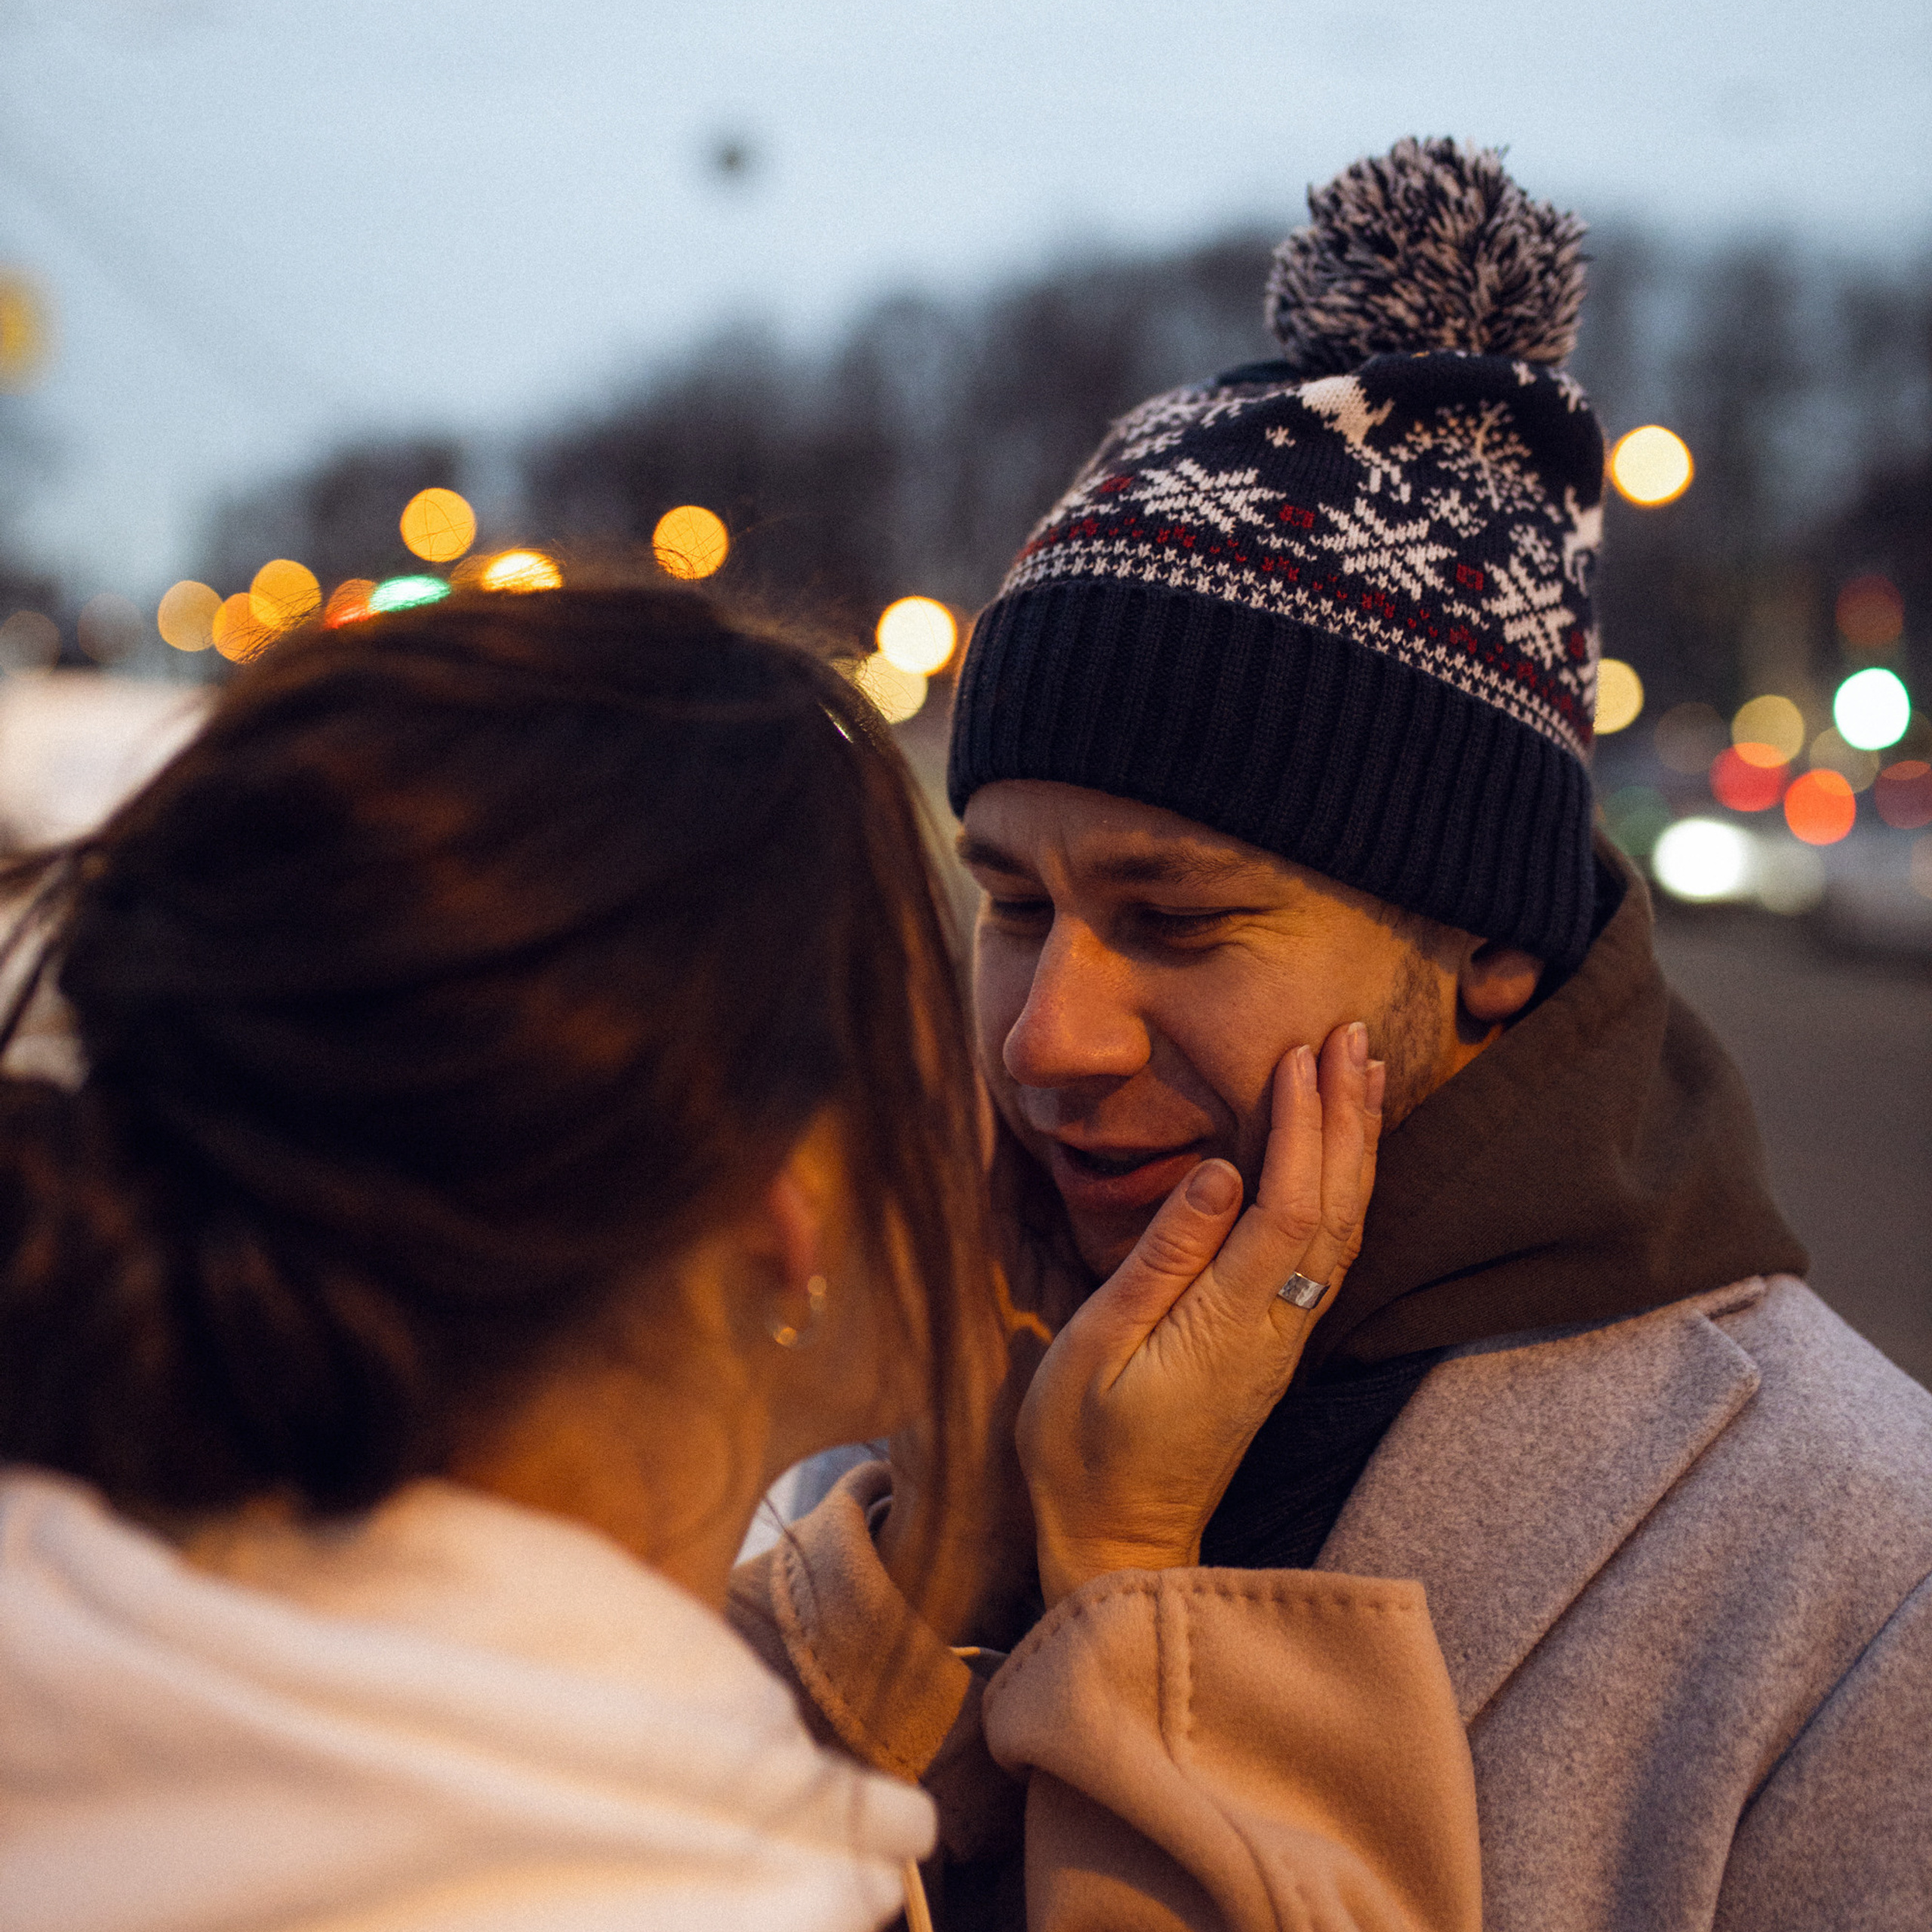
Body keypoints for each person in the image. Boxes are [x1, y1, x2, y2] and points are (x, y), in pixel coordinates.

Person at [730, 141, 1932, 1930]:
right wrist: (940, 1558)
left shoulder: (1853, 1573)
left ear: (1486, 946)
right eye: (1013, 902)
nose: (1048, 1037)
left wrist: (1131, 1591)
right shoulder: (929, 1385)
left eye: (1178, 918)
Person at [0, 588, 1466, 1932]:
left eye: (1176, 919)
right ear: (792, 1207)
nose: (1026, 1063)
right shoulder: (668, 1882)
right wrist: (1131, 1562)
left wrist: (955, 1536)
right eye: (993, 921)